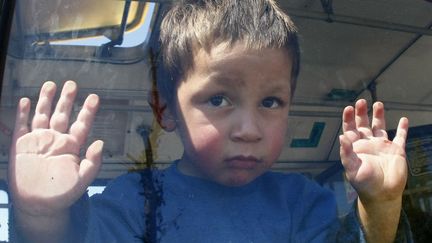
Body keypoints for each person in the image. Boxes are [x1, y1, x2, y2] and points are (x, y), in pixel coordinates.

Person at [8, 0, 412, 242]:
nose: (249, 130)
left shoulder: (301, 201)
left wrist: (381, 202)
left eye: (271, 102)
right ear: (165, 111)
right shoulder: (135, 199)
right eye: (218, 99)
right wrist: (41, 214)